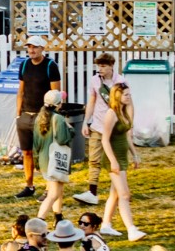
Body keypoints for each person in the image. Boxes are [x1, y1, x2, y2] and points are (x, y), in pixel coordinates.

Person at [94, 81, 143, 244]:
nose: (129, 97)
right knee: (124, 194)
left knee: (115, 194)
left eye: (130, 94)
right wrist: (113, 162)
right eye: (126, 94)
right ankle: (131, 229)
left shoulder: (124, 111)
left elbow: (127, 136)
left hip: (122, 157)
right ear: (118, 96)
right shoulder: (111, 114)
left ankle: (106, 224)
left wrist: (135, 155)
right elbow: (105, 141)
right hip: (112, 158)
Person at [14, 39, 61, 198]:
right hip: (26, 114)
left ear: (42, 48)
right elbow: (21, 91)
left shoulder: (50, 66)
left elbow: (56, 95)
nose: (32, 50)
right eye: (29, 47)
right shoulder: (24, 65)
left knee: (45, 153)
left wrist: (50, 115)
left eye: (35, 47)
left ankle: (49, 189)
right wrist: (18, 114)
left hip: (43, 115)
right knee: (26, 152)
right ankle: (29, 186)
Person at [75, 53, 123, 208]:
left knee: (114, 161)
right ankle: (92, 192)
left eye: (103, 66)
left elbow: (127, 104)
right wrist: (85, 122)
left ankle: (119, 191)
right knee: (94, 160)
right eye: (99, 66)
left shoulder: (121, 81)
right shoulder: (94, 81)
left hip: (115, 127)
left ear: (111, 66)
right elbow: (91, 101)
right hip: (97, 125)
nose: (100, 69)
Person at [32, 90, 75, 223]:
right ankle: (40, 219)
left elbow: (36, 142)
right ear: (59, 104)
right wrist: (71, 130)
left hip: (44, 159)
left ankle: (58, 217)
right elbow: (62, 139)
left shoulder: (39, 118)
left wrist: (36, 161)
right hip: (55, 159)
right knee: (53, 194)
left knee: (58, 189)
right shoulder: (59, 118)